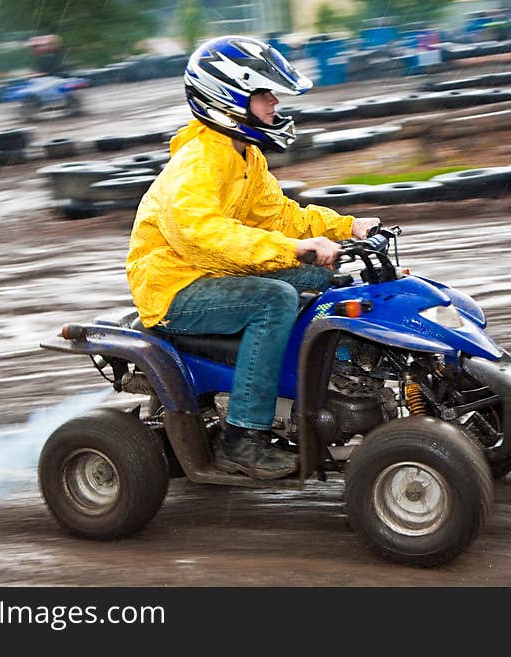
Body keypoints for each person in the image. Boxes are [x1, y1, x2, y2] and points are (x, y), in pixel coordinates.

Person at [125, 35, 379, 480]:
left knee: (332, 280)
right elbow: (204, 237)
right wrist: (295, 250)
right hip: (175, 287)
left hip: (213, 272)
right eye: (264, 93)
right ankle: (242, 437)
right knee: (275, 299)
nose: (274, 103)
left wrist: (345, 227)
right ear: (228, 98)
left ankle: (335, 384)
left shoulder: (245, 155)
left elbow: (278, 215)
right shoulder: (198, 162)